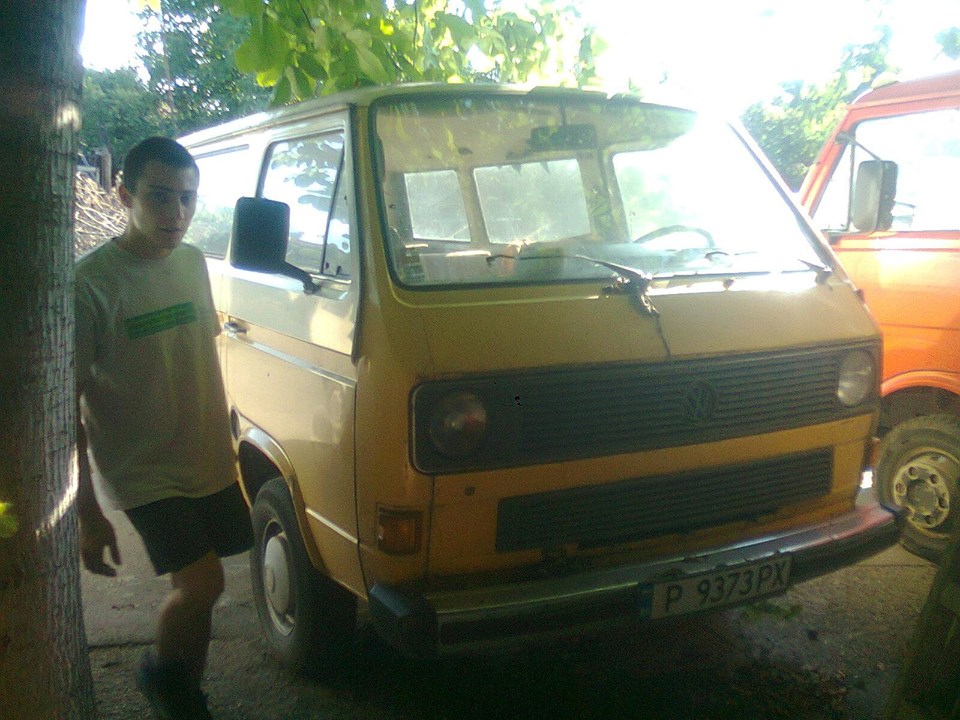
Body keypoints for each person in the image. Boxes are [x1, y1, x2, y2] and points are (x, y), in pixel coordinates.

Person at [75, 137, 253, 720]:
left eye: (187, 198)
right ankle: (162, 683)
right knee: (203, 584)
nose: (176, 213)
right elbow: (66, 405)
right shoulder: (89, 284)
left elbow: (198, 351)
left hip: (205, 456)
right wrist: (87, 512)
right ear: (124, 195)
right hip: (143, 470)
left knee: (200, 591)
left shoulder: (192, 261)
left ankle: (185, 694)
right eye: (159, 196)